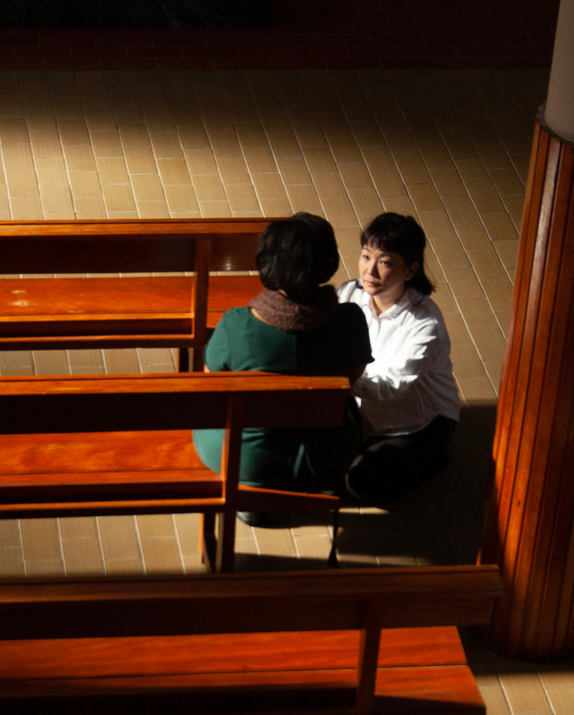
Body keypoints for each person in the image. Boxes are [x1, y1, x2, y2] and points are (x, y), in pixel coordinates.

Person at [192, 215, 373, 522]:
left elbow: (213, 381)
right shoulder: (350, 321)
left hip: (249, 462)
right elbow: (353, 376)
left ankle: (255, 499)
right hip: (326, 458)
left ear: (267, 263)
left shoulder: (237, 324)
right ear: (328, 262)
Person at [337, 211, 459, 506]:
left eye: (385, 262)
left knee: (360, 486)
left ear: (410, 270)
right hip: (363, 409)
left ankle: (432, 458)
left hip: (419, 423)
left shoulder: (424, 326)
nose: (370, 271)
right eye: (366, 257)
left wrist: (334, 373)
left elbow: (386, 387)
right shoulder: (350, 293)